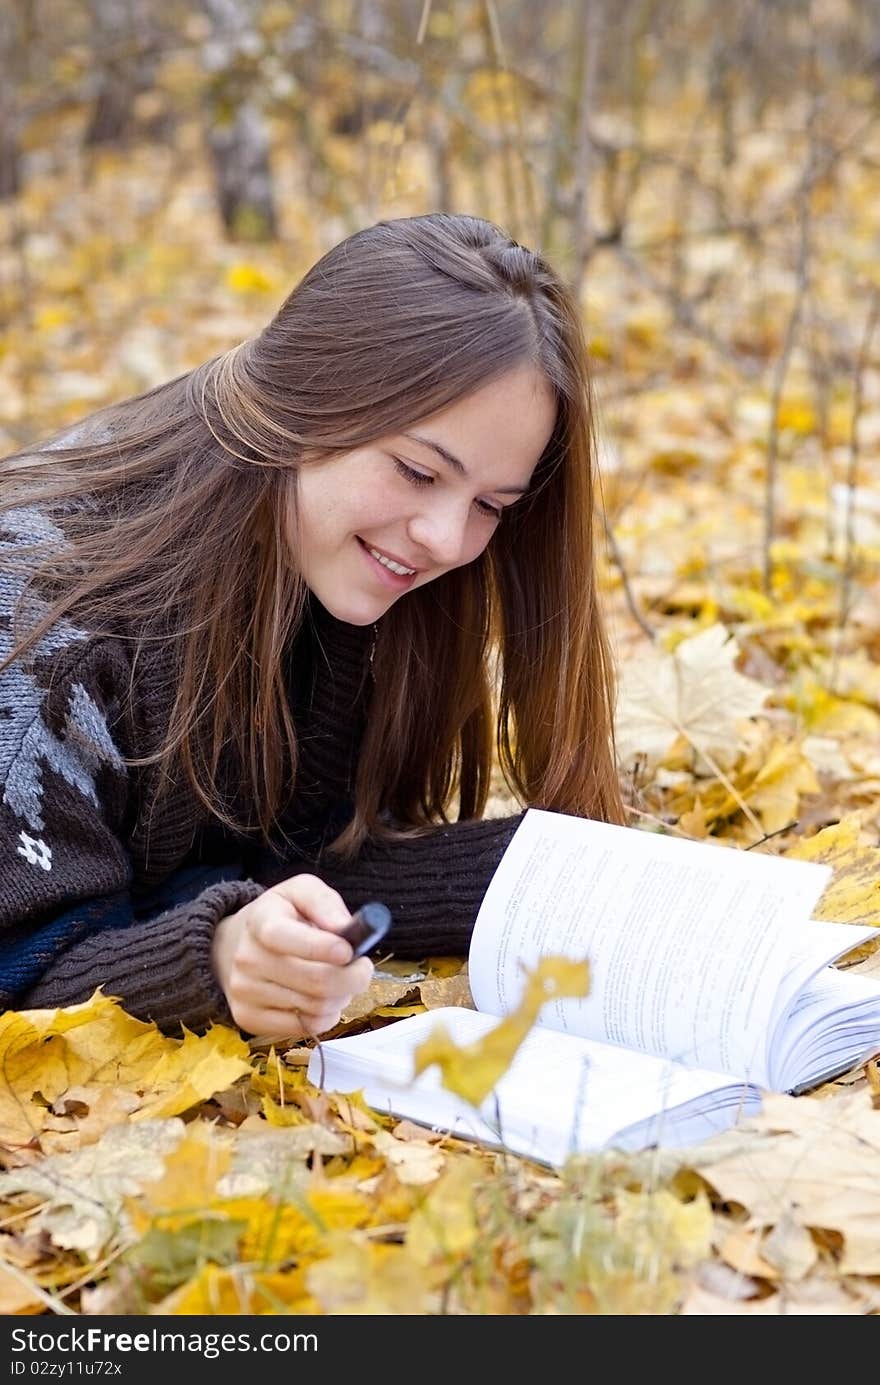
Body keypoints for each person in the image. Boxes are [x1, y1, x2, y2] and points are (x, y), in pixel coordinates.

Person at [0, 211, 624, 1043]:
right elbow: (23, 968)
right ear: (306, 397)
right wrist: (215, 961)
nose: (446, 538)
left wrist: (561, 876)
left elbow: (285, 855)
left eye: (489, 505)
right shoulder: (44, 627)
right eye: (416, 470)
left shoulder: (327, 561)